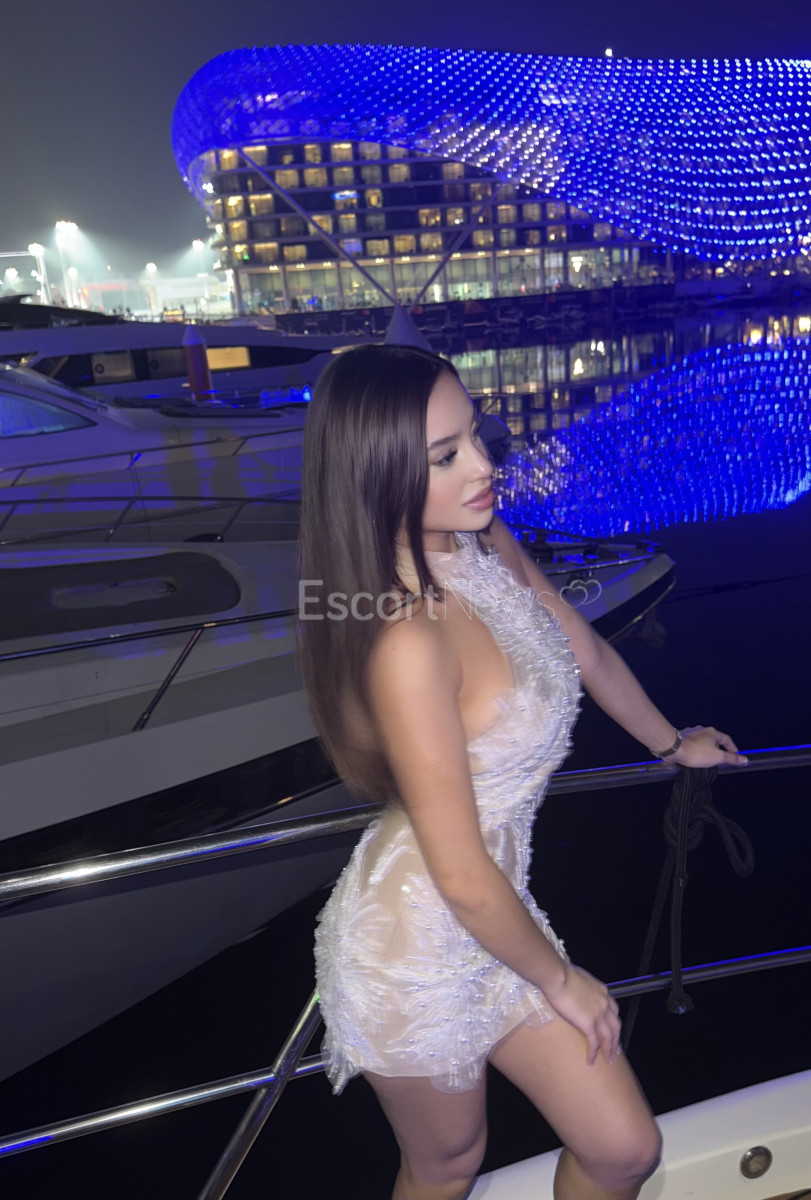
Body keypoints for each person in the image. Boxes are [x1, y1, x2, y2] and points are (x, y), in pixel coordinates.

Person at [299, 343, 747, 1200]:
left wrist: (670, 743)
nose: (484, 466)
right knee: (447, 1165)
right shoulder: (406, 641)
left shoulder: (479, 541)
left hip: (497, 918)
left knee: (622, 1149)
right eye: (446, 456)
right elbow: (459, 876)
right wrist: (561, 980)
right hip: (418, 946)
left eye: (476, 435)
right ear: (375, 476)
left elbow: (579, 645)